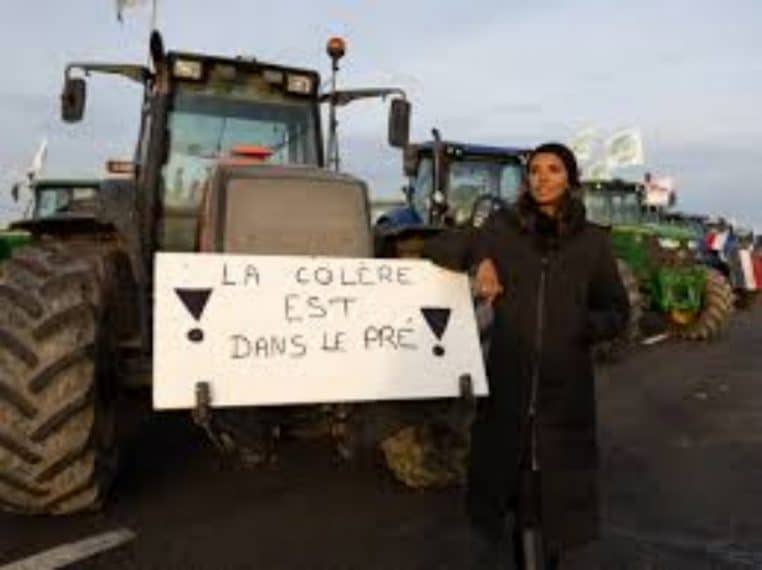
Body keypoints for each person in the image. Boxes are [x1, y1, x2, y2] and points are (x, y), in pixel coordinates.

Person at [424, 142, 630, 568]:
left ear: (570, 180)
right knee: (520, 504)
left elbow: (617, 311)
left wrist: (582, 326)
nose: (542, 178)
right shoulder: (503, 229)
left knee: (553, 506)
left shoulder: (592, 243)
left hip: (564, 396)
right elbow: (439, 248)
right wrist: (480, 260)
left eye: (554, 169)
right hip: (509, 390)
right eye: (535, 170)